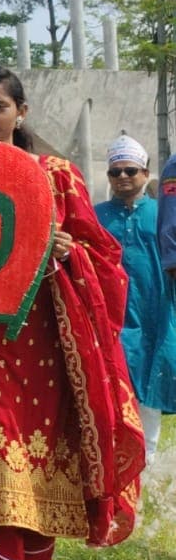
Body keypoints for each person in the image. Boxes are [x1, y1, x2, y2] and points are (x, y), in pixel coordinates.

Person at [0, 65, 143, 560]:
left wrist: (67, 250)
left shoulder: (57, 175)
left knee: (44, 452)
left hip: (46, 336)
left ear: (21, 112)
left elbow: (104, 256)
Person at [97, 135, 175, 461]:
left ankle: (148, 458)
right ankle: (116, 457)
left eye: (130, 170)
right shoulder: (96, 215)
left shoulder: (161, 213)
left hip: (155, 309)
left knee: (151, 377)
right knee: (114, 380)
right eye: (115, 172)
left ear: (145, 173)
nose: (123, 177)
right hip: (110, 313)